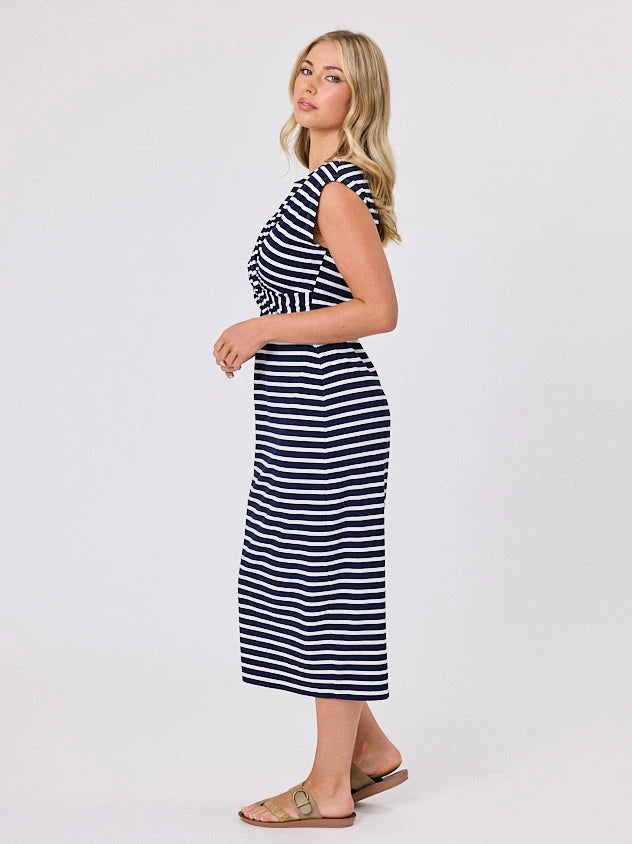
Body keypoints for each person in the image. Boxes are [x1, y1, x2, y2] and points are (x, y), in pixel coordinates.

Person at [212, 29, 407, 829]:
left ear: (357, 99)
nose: (312, 83)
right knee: (295, 582)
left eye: (333, 76)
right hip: (298, 417)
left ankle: (328, 791)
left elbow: (379, 311)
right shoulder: (313, 183)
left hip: (332, 415)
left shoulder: (338, 187)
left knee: (330, 591)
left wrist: (262, 329)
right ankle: (371, 755)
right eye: (307, 67)